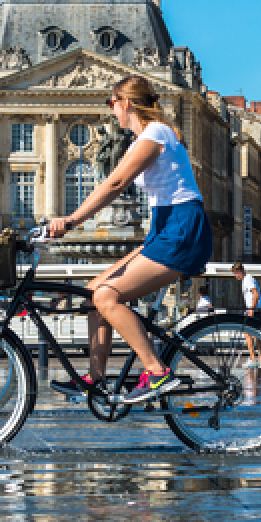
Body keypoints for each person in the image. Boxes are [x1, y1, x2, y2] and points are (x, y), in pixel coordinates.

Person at [44, 75, 214, 404]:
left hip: (182, 228)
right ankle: (94, 379)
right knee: (95, 290)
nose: (112, 112)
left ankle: (156, 370)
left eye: (112, 104)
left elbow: (117, 182)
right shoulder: (142, 140)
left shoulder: (156, 133)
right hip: (164, 227)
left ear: (126, 102)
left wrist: (71, 220)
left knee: (109, 297)